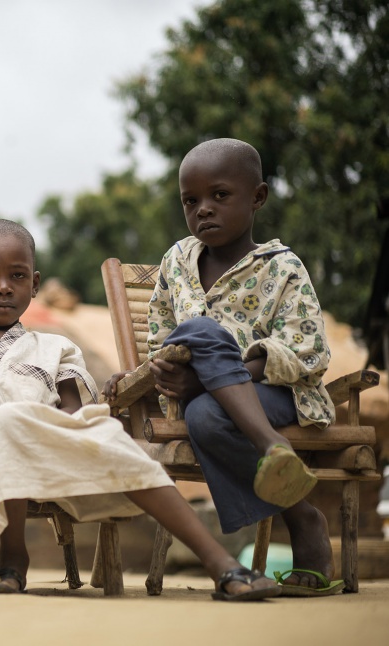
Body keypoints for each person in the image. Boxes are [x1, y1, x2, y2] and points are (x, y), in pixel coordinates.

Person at [0, 218, 278, 600]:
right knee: (2, 419)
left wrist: (89, 428)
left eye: (17, 275)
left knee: (110, 436)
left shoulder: (55, 347)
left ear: (35, 283)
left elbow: (72, 415)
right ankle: (13, 560)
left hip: (47, 447)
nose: (3, 287)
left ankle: (223, 565)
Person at [103, 138, 343, 597]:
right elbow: (161, 337)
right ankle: (301, 509)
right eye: (191, 201)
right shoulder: (177, 262)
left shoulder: (282, 267)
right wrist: (161, 372)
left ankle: (294, 500)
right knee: (202, 404)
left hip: (277, 395)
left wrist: (221, 372)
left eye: (220, 195)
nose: (204, 210)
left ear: (258, 197)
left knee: (206, 365)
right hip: (198, 397)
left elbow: (309, 350)